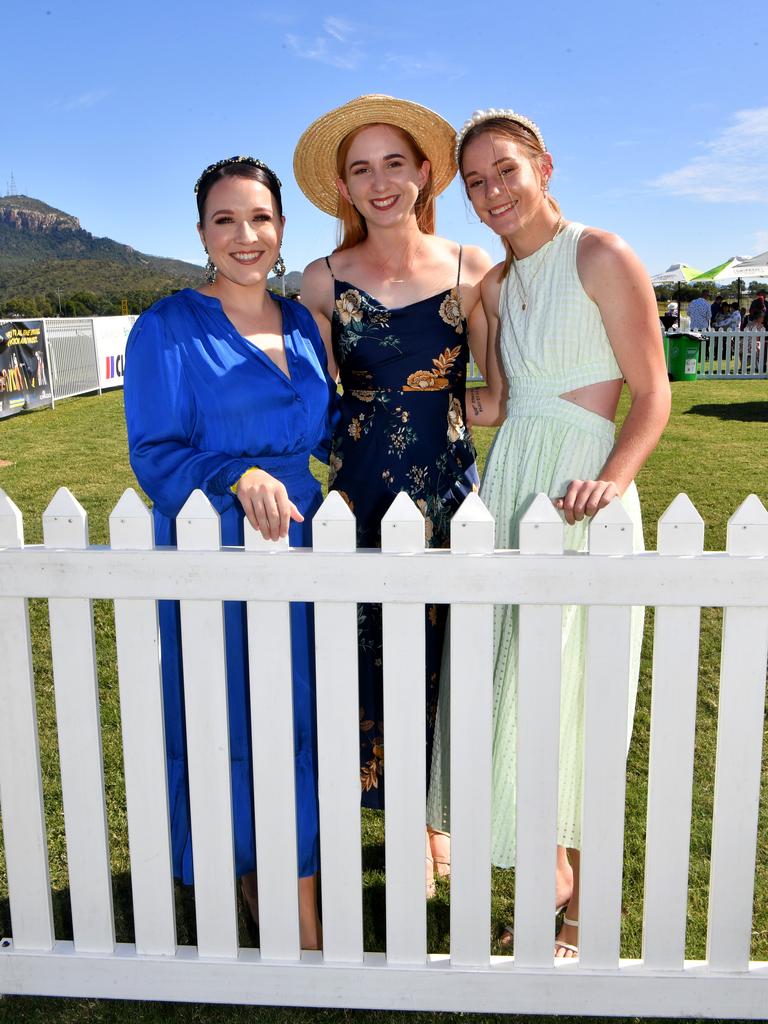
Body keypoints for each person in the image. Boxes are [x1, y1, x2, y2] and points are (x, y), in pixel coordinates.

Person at [427, 108, 670, 957]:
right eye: (475, 182)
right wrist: (401, 400)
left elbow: (655, 393)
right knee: (516, 697)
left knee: (574, 701)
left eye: (505, 172)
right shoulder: (492, 288)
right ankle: (552, 879)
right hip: (513, 489)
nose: (491, 192)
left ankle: (576, 908)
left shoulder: (602, 254)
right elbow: (494, 403)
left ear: (545, 168)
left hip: (583, 494)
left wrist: (614, 480)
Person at [124, 155, 338, 950]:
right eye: (226, 220)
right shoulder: (167, 328)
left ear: (281, 229)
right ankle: (273, 906)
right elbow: (154, 455)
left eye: (260, 218)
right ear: (201, 234)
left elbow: (328, 431)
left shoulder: (302, 323)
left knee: (303, 728)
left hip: (309, 544)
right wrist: (234, 471)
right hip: (214, 547)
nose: (245, 236)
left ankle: (294, 911)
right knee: (232, 727)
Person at [295, 95, 492, 895]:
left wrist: (443, 406)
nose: (379, 183)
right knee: (371, 663)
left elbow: (499, 391)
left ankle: (436, 820)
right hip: (362, 495)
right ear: (343, 186)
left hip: (446, 494)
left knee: (445, 657)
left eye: (394, 164)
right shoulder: (322, 278)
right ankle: (399, 822)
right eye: (361, 169)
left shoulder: (470, 268)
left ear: (424, 173)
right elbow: (308, 397)